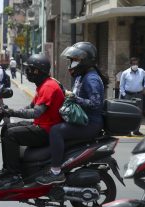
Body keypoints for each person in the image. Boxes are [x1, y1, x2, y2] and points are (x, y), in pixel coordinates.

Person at [35, 42, 109, 185]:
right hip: (81, 118)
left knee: (56, 131)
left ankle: (56, 172)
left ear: (85, 60)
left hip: (90, 122)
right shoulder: (81, 75)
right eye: (71, 60)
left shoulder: (91, 78)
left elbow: (95, 103)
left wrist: (74, 98)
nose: (72, 63)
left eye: (75, 60)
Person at [0, 54, 65, 186]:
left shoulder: (48, 87)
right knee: (6, 128)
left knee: (11, 135)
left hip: (46, 130)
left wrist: (13, 112)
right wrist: (8, 111)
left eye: (31, 70)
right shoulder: (43, 85)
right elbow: (31, 106)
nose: (28, 72)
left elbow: (36, 112)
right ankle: (8, 170)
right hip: (41, 125)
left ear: (38, 71)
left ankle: (14, 175)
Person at [119, 57, 145, 136]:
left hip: (138, 95)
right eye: (133, 64)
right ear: (130, 64)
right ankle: (128, 130)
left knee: (138, 113)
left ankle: (136, 130)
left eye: (136, 64)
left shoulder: (142, 72)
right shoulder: (125, 73)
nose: (135, 65)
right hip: (128, 95)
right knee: (128, 113)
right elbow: (121, 85)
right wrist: (124, 95)